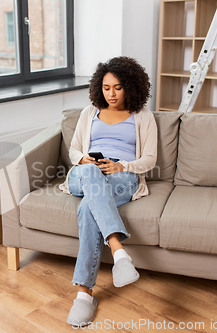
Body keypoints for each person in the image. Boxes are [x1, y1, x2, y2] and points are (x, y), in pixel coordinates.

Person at [59, 56, 157, 327]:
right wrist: (84, 160)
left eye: (117, 87)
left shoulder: (143, 116)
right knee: (91, 173)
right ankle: (118, 250)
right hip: (85, 173)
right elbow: (74, 149)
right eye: (106, 87)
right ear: (98, 88)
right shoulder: (89, 113)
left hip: (122, 177)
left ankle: (84, 295)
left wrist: (121, 165)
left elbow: (150, 159)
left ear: (131, 87)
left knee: (87, 208)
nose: (111, 94)